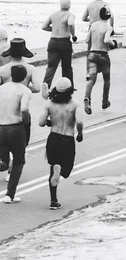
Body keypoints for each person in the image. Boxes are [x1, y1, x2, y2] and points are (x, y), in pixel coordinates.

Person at [38, 77, 83, 210]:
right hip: (67, 139)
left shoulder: (50, 104)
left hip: (53, 138)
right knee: (67, 170)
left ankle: (53, 201)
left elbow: (41, 122)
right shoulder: (75, 105)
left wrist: (49, 122)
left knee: (52, 169)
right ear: (70, 91)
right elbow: (79, 122)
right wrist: (80, 134)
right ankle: (61, 171)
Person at [0, 65, 32, 204]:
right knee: (18, 161)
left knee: (4, 163)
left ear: (11, 75)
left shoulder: (1, 88)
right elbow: (24, 109)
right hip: (16, 127)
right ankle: (9, 195)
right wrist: (26, 122)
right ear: (25, 76)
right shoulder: (25, 90)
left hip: (1, 127)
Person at [41, 0, 77, 99]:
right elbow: (70, 23)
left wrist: (54, 29)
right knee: (66, 67)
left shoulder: (53, 15)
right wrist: (73, 35)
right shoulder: (70, 15)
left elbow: (44, 27)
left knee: (51, 66)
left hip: (52, 42)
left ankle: (46, 85)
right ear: (69, 5)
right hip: (64, 42)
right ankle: (68, 88)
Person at [84, 7, 117, 115]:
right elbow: (106, 40)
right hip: (103, 55)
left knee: (91, 80)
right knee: (106, 79)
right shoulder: (108, 27)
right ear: (108, 16)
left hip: (92, 54)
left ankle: (87, 98)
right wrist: (113, 44)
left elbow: (87, 40)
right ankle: (104, 101)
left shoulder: (93, 25)